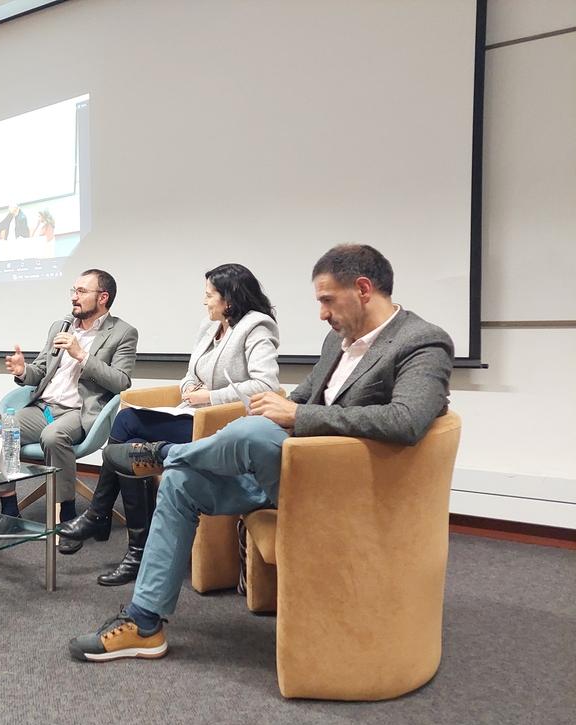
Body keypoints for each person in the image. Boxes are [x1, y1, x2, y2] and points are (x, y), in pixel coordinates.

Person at [69, 244, 454, 662]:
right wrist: (282, 408)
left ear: (363, 289)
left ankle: (166, 454)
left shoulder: (421, 341)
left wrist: (297, 414)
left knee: (248, 432)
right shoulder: (336, 341)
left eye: (326, 300)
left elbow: (406, 421)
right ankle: (144, 624)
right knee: (183, 483)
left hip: (345, 485)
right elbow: (303, 396)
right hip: (289, 474)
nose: (322, 313)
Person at [57, 263, 280, 585]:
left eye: (209, 296)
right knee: (126, 422)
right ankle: (123, 535)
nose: (205, 302)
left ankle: (109, 524)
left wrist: (210, 397)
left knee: (123, 444)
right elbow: (192, 374)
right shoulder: (210, 327)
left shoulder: (256, 327)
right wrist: (189, 387)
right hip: (192, 413)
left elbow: (266, 386)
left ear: (229, 300)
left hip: (224, 424)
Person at [1, 269, 138, 542]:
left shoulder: (123, 333)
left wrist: (82, 355)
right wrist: (21, 371)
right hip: (43, 407)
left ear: (103, 297)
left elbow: (121, 381)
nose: (74, 298)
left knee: (53, 437)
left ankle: (67, 514)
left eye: (81, 292)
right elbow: (40, 370)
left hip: (80, 411)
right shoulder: (60, 326)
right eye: (73, 291)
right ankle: (9, 511)